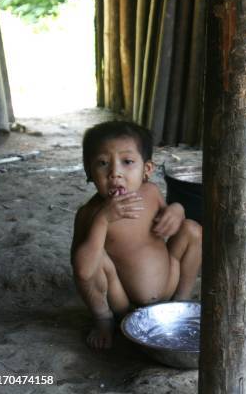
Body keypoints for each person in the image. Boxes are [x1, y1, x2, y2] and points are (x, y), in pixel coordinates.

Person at [71, 121, 202, 349]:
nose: (115, 173)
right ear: (88, 171)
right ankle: (104, 320)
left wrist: (177, 210)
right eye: (102, 163)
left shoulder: (151, 192)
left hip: (169, 279)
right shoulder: (89, 214)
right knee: (94, 256)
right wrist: (103, 220)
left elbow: (173, 221)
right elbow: (83, 271)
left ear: (147, 170)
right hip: (123, 300)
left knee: (192, 229)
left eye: (127, 162)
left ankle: (181, 302)